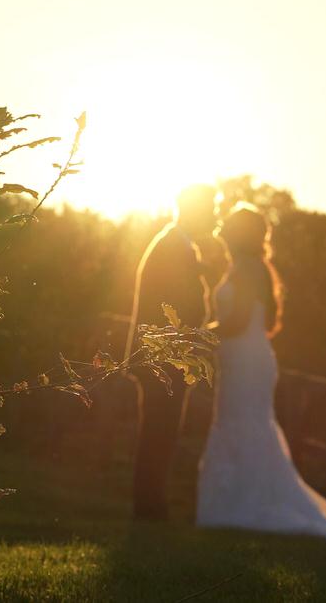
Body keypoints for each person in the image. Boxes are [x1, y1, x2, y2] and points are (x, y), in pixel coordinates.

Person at [195, 204, 326, 541]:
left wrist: (199, 335)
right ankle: (240, 504)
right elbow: (265, 323)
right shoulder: (255, 268)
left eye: (229, 224)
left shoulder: (245, 268)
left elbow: (238, 320)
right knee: (245, 423)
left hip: (244, 360)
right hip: (250, 357)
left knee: (243, 423)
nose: (221, 227)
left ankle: (245, 506)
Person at [126, 184, 218, 521]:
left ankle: (151, 505)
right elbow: (180, 309)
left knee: (160, 430)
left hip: (163, 357)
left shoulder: (177, 245)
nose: (216, 216)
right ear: (195, 210)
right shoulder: (173, 248)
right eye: (212, 208)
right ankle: (150, 509)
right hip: (160, 359)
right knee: (159, 430)